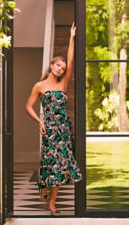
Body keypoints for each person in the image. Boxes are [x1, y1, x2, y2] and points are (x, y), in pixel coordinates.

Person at [25, 23, 82, 217]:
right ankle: (43, 185)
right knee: (49, 164)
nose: (61, 69)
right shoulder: (39, 86)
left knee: (60, 166)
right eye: (58, 65)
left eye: (63, 68)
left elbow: (72, 60)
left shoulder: (64, 84)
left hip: (63, 129)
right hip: (48, 129)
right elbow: (28, 107)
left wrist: (71, 38)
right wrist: (39, 122)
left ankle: (52, 204)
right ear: (51, 65)